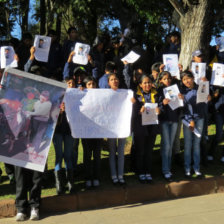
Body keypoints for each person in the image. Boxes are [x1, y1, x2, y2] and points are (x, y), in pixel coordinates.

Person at [180, 70, 209, 178]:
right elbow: (185, 108)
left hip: (200, 119)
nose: (187, 81)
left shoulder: (201, 88)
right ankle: (187, 168)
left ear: (193, 78)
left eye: (189, 78)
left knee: (197, 144)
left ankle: (196, 168)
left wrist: (208, 98)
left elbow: (204, 102)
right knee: (188, 145)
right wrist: (190, 120)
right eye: (184, 79)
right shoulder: (182, 92)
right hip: (188, 121)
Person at [132, 74, 159, 183]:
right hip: (140, 126)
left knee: (149, 150)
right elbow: (132, 109)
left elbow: (161, 104)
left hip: (152, 126)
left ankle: (148, 171)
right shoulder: (136, 95)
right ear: (140, 84)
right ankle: (140, 172)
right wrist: (138, 109)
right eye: (145, 83)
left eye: (149, 82)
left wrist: (159, 109)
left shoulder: (156, 93)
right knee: (140, 150)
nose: (147, 85)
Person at [157, 71, 183, 181]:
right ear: (160, 80)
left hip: (174, 120)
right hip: (164, 121)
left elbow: (180, 106)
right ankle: (165, 170)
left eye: (168, 79)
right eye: (165, 79)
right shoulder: (158, 91)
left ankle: (168, 168)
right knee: (166, 145)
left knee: (170, 145)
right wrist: (162, 103)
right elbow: (156, 107)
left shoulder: (175, 89)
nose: (167, 81)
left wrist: (181, 99)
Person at [53, 76, 75, 194]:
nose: (71, 85)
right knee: (59, 156)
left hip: (69, 131)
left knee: (68, 156)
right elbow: (50, 116)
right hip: (58, 131)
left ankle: (70, 184)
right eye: (68, 83)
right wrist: (59, 111)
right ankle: (59, 185)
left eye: (72, 83)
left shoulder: (76, 98)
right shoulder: (56, 99)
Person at [81, 76, 102, 188]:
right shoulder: (81, 97)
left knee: (97, 155)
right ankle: (88, 178)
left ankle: (96, 177)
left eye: (93, 84)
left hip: (98, 131)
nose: (92, 86)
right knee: (87, 155)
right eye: (89, 84)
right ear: (85, 86)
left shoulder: (100, 96)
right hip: (86, 131)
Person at [107, 73, 126, 185]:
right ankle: (114, 175)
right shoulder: (104, 94)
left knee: (121, 151)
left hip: (122, 126)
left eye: (116, 79)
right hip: (110, 128)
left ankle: (121, 175)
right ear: (108, 82)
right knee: (112, 151)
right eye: (112, 79)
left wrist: (132, 101)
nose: (114, 81)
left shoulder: (125, 93)